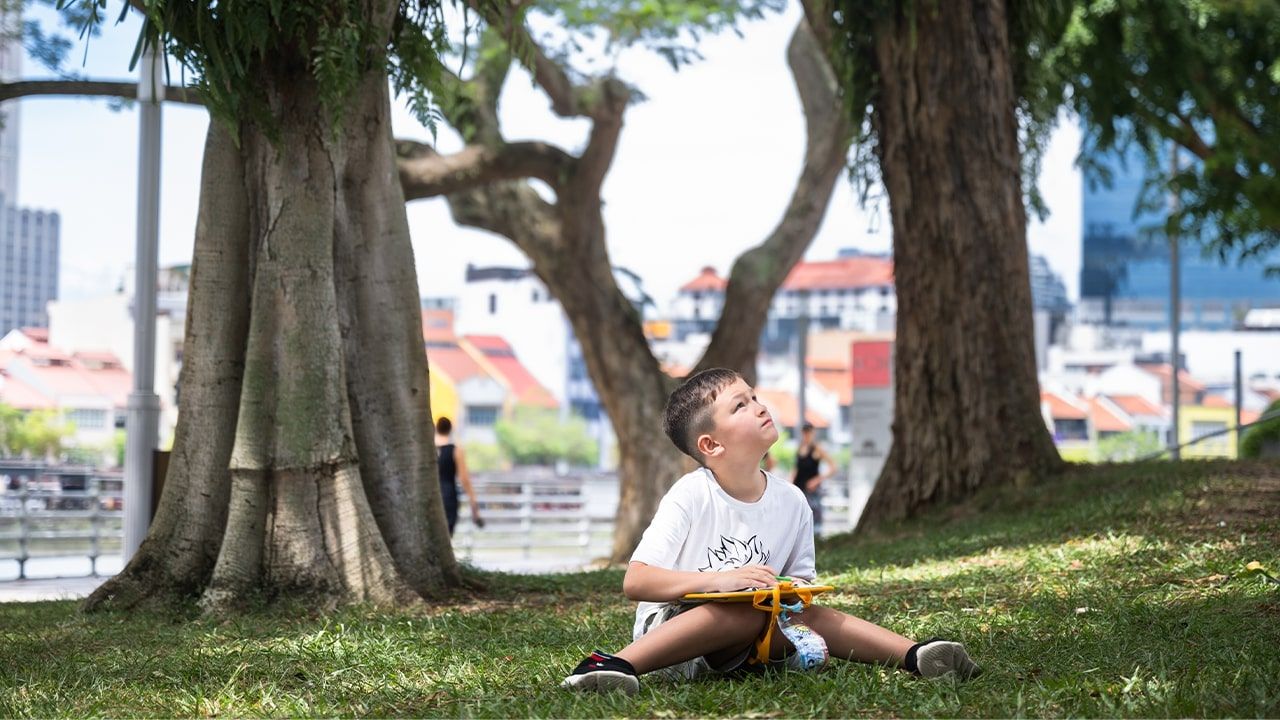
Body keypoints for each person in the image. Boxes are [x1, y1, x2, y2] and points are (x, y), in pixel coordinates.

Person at [562, 368, 979, 694]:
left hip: (756, 632)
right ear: (711, 446)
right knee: (743, 609)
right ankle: (613, 665)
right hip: (674, 631)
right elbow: (638, 581)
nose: (760, 407)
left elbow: (800, 584)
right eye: (740, 406)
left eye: (755, 397)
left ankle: (917, 655)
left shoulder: (792, 501)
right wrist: (721, 582)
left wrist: (790, 589)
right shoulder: (691, 495)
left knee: (804, 613)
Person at [435, 417, 482, 535]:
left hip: (431, 495)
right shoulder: (455, 450)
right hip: (448, 496)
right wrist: (473, 499)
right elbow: (464, 478)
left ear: (436, 429)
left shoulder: (428, 450)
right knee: (447, 534)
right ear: (450, 429)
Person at [792, 421, 834, 534]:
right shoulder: (800, 448)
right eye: (805, 432)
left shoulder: (817, 449)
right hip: (799, 489)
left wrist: (817, 480)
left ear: (813, 433)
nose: (806, 435)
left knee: (814, 521)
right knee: (799, 521)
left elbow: (833, 467)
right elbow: (796, 469)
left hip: (812, 491)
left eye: (809, 432)